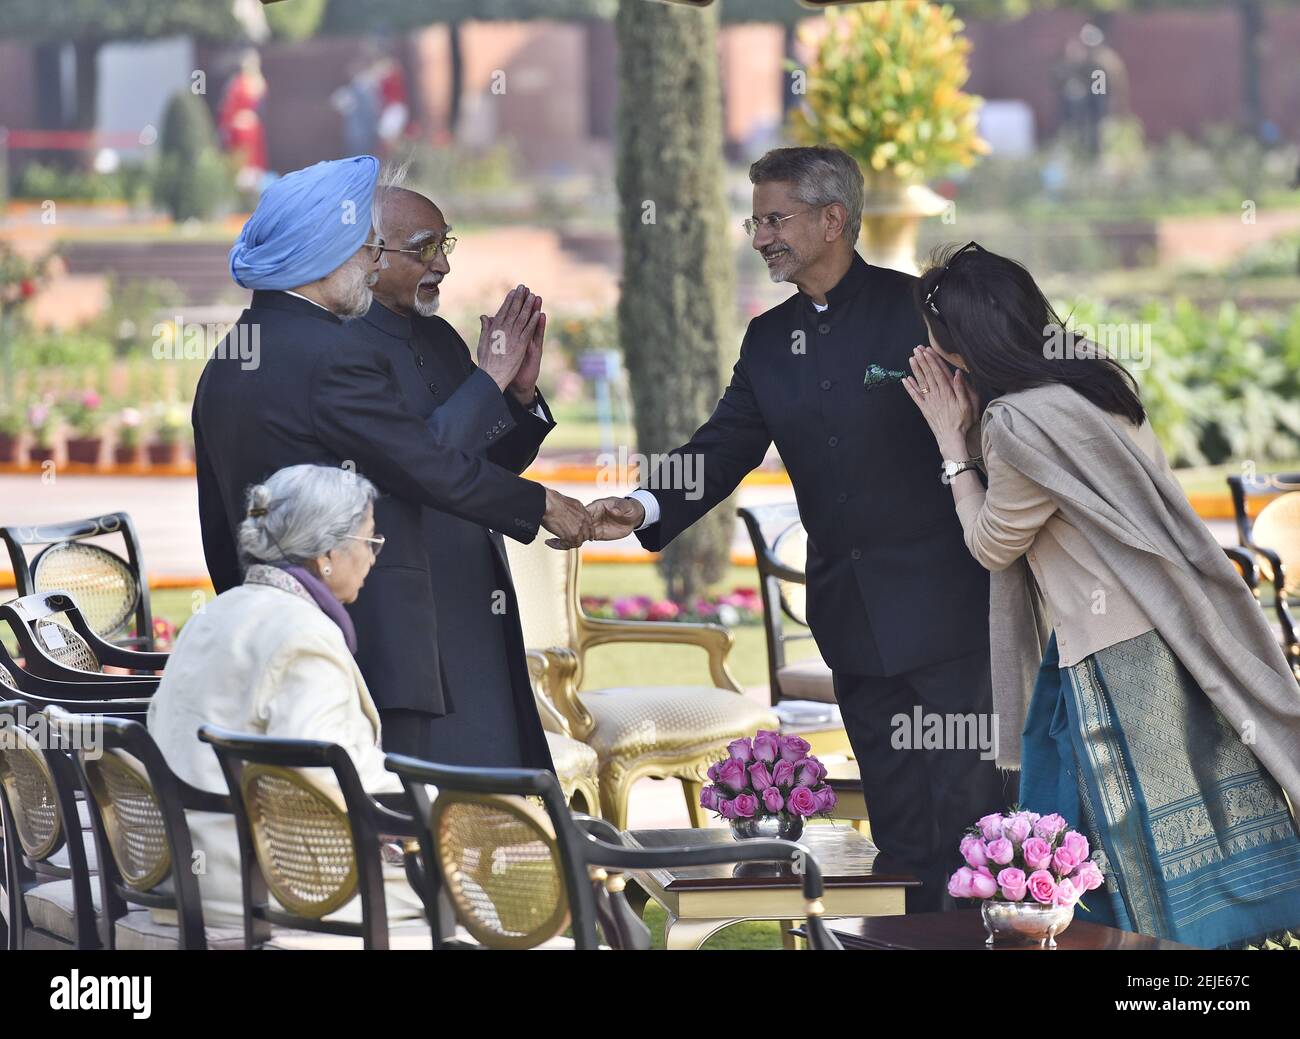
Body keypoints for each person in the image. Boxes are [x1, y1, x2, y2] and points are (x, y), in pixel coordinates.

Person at [580, 145, 1004, 912]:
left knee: (975, 829)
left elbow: (997, 427)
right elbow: (723, 446)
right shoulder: (769, 340)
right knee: (902, 838)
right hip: (852, 621)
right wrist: (642, 506)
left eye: (775, 218)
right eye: (756, 219)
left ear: (832, 219)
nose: (760, 235)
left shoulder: (923, 312)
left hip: (952, 618)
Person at [903, 241, 1300, 947]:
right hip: (1174, 625)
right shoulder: (1097, 380)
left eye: (942, 348)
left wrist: (951, 445)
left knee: (1117, 839)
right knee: (1187, 821)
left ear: (966, 347)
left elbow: (994, 543)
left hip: (1113, 654)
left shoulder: (1016, 423)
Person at [193, 155, 592, 759]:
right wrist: (545, 505)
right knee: (410, 831)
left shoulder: (236, 351)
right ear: (325, 251)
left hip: (295, 630)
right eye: (366, 249)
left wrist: (514, 394)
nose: (373, 262)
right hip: (375, 633)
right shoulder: (331, 352)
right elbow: (424, 463)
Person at [148, 464, 423, 927]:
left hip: (183, 878)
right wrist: (448, 805)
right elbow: (323, 779)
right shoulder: (303, 633)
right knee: (476, 888)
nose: (374, 557)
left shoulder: (217, 612)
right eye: (369, 540)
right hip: (263, 891)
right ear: (328, 554)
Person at [352, 183, 554, 768]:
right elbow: (420, 465)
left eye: (446, 245)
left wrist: (517, 395)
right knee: (442, 793)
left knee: (502, 780)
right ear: (371, 252)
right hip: (413, 606)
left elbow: (485, 466)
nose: (442, 264)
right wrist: (488, 380)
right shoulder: (344, 348)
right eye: (424, 248)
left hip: (476, 595)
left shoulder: (437, 336)